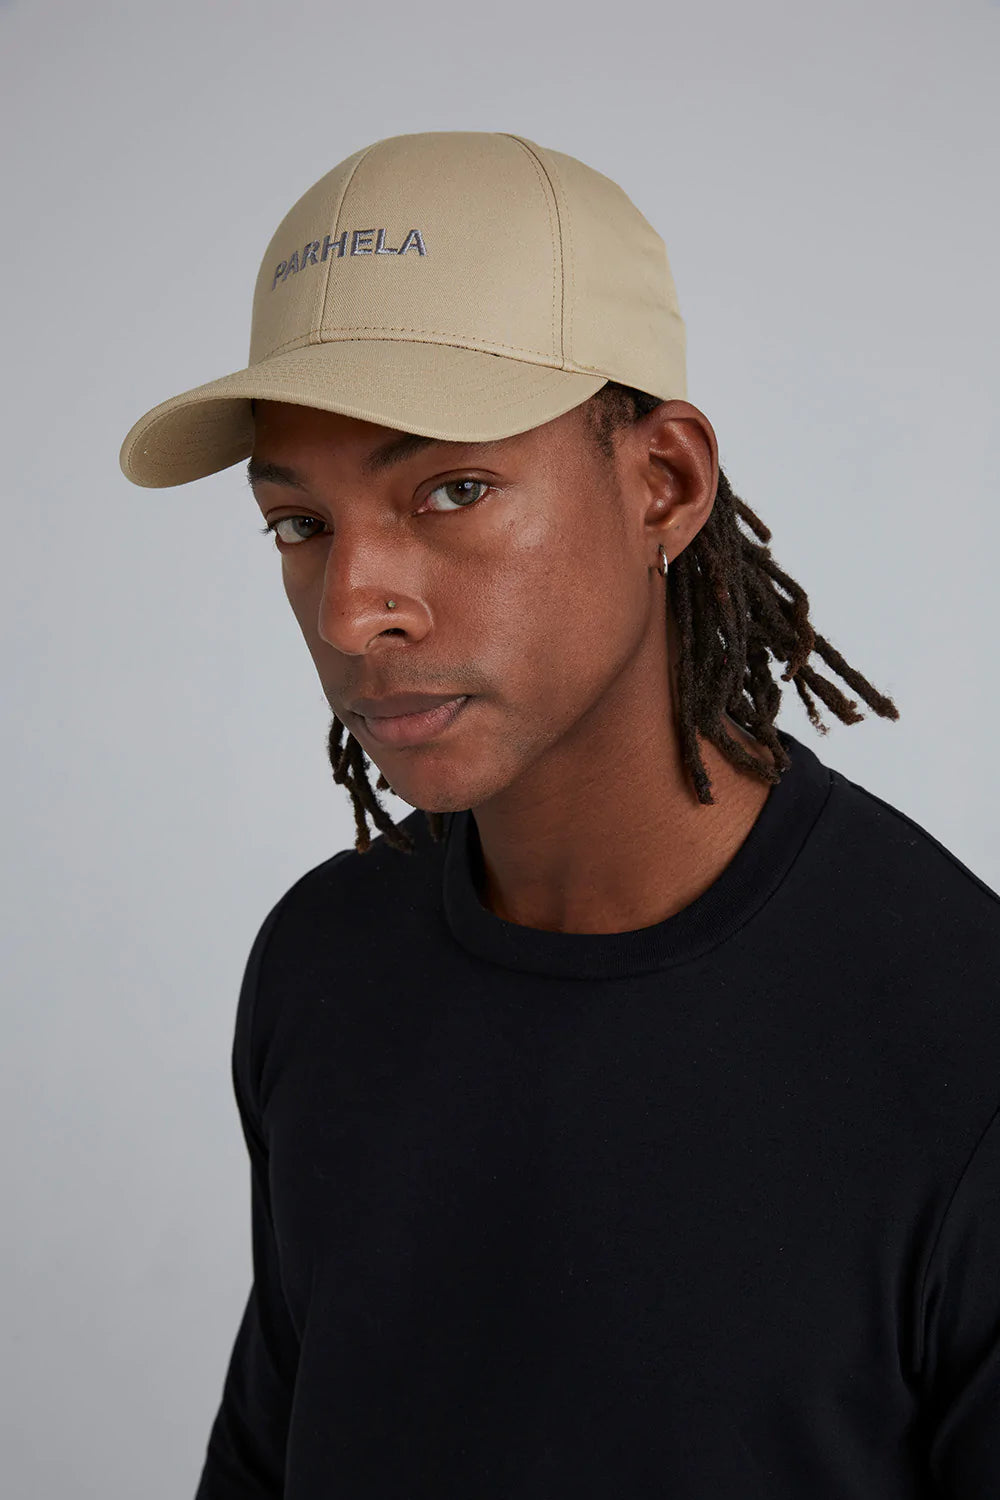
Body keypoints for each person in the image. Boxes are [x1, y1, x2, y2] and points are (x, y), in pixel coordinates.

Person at [120, 132, 1000, 1499]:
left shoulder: (959, 1041)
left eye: (453, 490)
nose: (353, 610)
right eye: (300, 523)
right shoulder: (323, 963)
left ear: (665, 484)